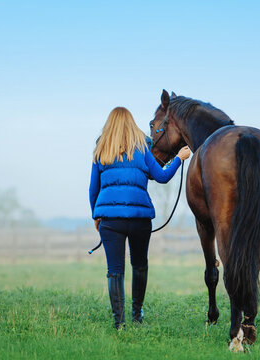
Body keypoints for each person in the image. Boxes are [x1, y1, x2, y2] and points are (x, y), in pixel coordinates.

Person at [89, 106, 191, 329]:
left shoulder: (101, 150)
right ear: (131, 123)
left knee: (114, 271)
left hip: (110, 220)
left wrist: (96, 216)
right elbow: (162, 177)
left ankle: (120, 323)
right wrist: (179, 158)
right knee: (139, 265)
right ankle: (136, 315)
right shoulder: (143, 149)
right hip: (139, 219)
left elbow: (93, 190)